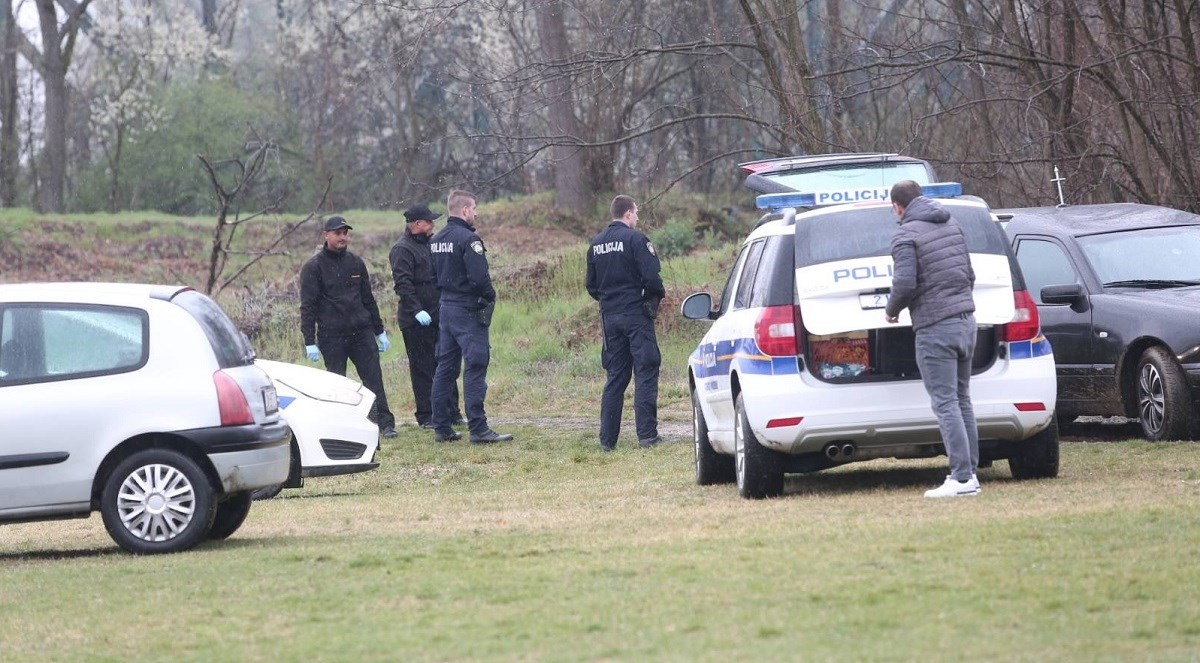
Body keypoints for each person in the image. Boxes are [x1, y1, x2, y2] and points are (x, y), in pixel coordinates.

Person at [884, 180, 979, 497]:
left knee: (945, 402)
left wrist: (892, 310)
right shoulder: (951, 223)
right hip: (967, 321)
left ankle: (962, 478)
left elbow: (906, 282)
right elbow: (969, 274)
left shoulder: (905, 234)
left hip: (935, 327)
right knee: (962, 399)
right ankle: (970, 474)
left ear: (898, 206)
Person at [428, 190, 513, 444]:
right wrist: (489, 296)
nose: (476, 213)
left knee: (445, 368)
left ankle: (441, 427)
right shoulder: (468, 239)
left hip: (446, 308)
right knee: (475, 366)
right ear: (464, 210)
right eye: (474, 208)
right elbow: (479, 278)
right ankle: (478, 428)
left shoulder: (436, 240)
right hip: (467, 309)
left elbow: (433, 277)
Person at [300, 215, 397, 438]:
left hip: (361, 332)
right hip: (332, 335)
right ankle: (340, 427)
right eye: (338, 233)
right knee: (337, 383)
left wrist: (379, 330)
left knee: (373, 379)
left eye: (345, 233)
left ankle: (384, 423)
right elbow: (308, 306)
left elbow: (368, 299)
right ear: (326, 235)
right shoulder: (313, 267)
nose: (343, 237)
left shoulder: (356, 262)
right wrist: (309, 341)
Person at [585, 195, 665, 452]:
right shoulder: (636, 239)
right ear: (628, 214)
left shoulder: (596, 244)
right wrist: (651, 300)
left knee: (615, 377)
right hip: (635, 315)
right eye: (637, 213)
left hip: (610, 318)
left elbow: (591, 286)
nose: (638, 218)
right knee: (646, 369)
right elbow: (652, 279)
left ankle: (607, 441)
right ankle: (647, 436)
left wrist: (610, 301)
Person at [389, 203, 465, 429]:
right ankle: (426, 415)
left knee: (446, 363)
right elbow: (403, 284)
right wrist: (416, 310)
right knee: (422, 368)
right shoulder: (402, 249)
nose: (433, 224)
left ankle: (452, 412)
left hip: (439, 313)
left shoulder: (431, 244)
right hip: (416, 320)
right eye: (429, 221)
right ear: (417, 224)